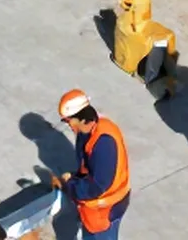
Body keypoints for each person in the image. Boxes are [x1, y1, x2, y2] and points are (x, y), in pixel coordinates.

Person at [52, 89, 130, 236]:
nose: (67, 124)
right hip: (95, 209)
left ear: (81, 119)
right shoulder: (86, 131)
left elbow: (98, 186)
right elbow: (86, 165)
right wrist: (75, 177)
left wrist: (69, 187)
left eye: (68, 120)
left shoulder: (103, 144)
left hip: (105, 210)